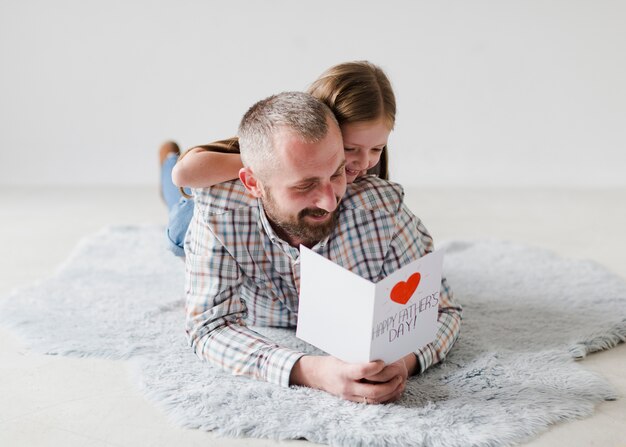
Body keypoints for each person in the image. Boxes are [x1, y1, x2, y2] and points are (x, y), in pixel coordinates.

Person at [185, 91, 462, 404]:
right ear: (253, 184)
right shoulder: (218, 211)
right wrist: (312, 371)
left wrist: (405, 361)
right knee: (176, 226)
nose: (330, 201)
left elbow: (442, 310)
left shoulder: (382, 207)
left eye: (337, 173)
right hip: (193, 225)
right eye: (305, 185)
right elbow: (209, 326)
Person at [159, 61, 394, 257]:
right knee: (178, 224)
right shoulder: (279, 143)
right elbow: (183, 175)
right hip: (193, 211)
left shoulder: (367, 166)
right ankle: (168, 157)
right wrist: (280, 168)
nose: (364, 162)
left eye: (377, 148)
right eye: (350, 148)